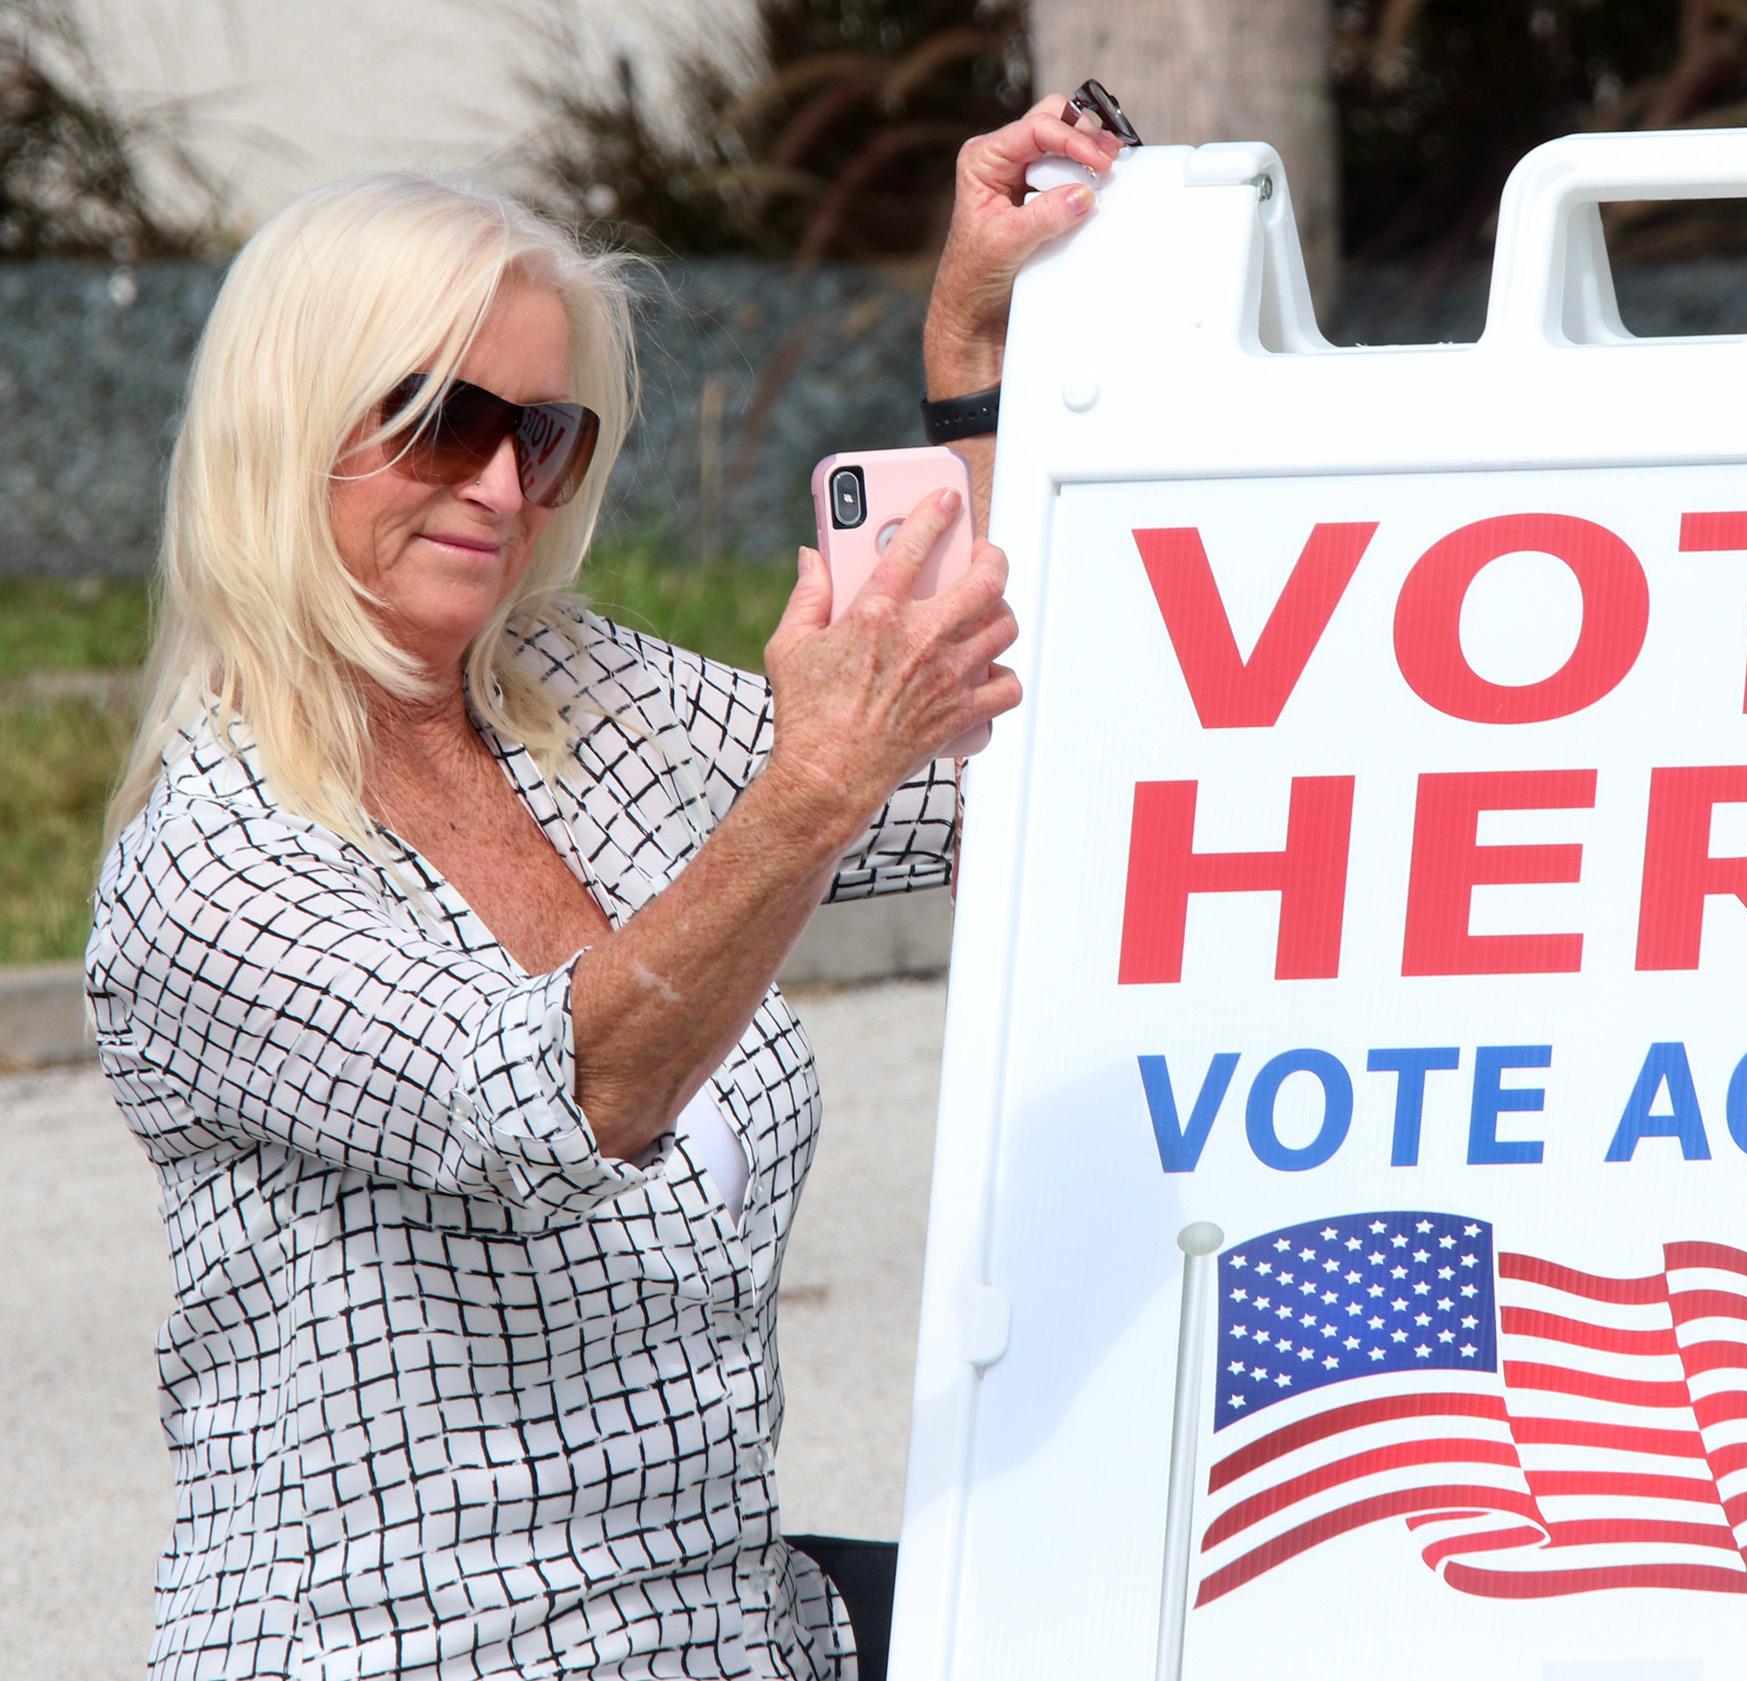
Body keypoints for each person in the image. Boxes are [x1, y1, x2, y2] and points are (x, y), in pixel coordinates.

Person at [83, 100, 1124, 1681]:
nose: (506, 489)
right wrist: (810, 788)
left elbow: (1003, 780)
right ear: (285, 426)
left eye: (546, 438)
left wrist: (974, 350)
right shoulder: (209, 867)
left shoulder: (574, 689)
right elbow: (572, 1094)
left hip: (728, 1624)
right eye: (444, 422)